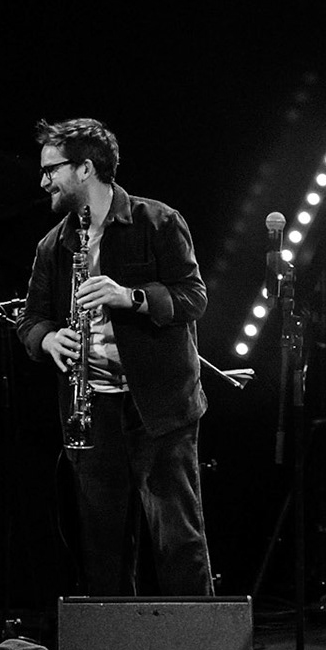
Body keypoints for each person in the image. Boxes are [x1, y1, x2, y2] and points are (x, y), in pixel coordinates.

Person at [17, 118, 214, 596]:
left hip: (160, 409)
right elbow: (30, 320)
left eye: (52, 170)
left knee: (178, 543)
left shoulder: (159, 221)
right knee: (102, 550)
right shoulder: (54, 244)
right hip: (92, 410)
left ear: (85, 168)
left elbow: (194, 298)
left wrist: (132, 297)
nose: (43, 181)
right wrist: (47, 340)